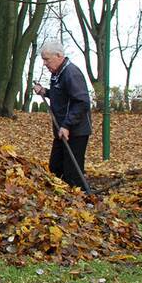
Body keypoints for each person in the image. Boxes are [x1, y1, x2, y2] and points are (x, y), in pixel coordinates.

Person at [32, 41, 91, 190]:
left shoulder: (71, 73)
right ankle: (62, 199)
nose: (45, 64)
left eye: (47, 59)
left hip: (75, 131)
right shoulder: (57, 74)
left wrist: (67, 125)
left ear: (59, 56)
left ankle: (81, 199)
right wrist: (45, 91)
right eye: (43, 60)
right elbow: (61, 96)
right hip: (61, 130)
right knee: (55, 167)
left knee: (72, 170)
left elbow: (82, 102)